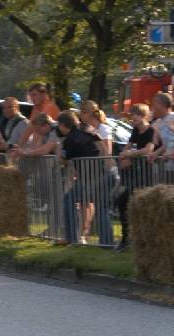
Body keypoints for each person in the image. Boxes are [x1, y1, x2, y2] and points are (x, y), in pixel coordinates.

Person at [55, 111, 104, 245]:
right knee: (87, 203)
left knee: (68, 200)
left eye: (59, 126)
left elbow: (63, 161)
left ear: (63, 125)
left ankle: (72, 237)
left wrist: (59, 145)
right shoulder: (87, 129)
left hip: (88, 177)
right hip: (100, 173)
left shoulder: (70, 139)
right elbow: (101, 147)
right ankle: (82, 235)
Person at [115, 103, 157, 252]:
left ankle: (143, 240)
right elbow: (129, 145)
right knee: (122, 201)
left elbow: (148, 149)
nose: (133, 118)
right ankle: (127, 237)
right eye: (132, 115)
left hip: (147, 174)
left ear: (144, 116)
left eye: (136, 115)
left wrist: (129, 154)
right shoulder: (135, 130)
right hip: (136, 174)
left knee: (140, 205)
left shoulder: (151, 130)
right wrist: (123, 155)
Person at [78, 100, 115, 245]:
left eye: (82, 112)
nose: (80, 115)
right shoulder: (86, 129)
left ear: (87, 113)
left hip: (101, 171)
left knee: (100, 206)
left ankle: (105, 240)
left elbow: (107, 152)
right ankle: (84, 234)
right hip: (89, 171)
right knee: (84, 202)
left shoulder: (103, 129)